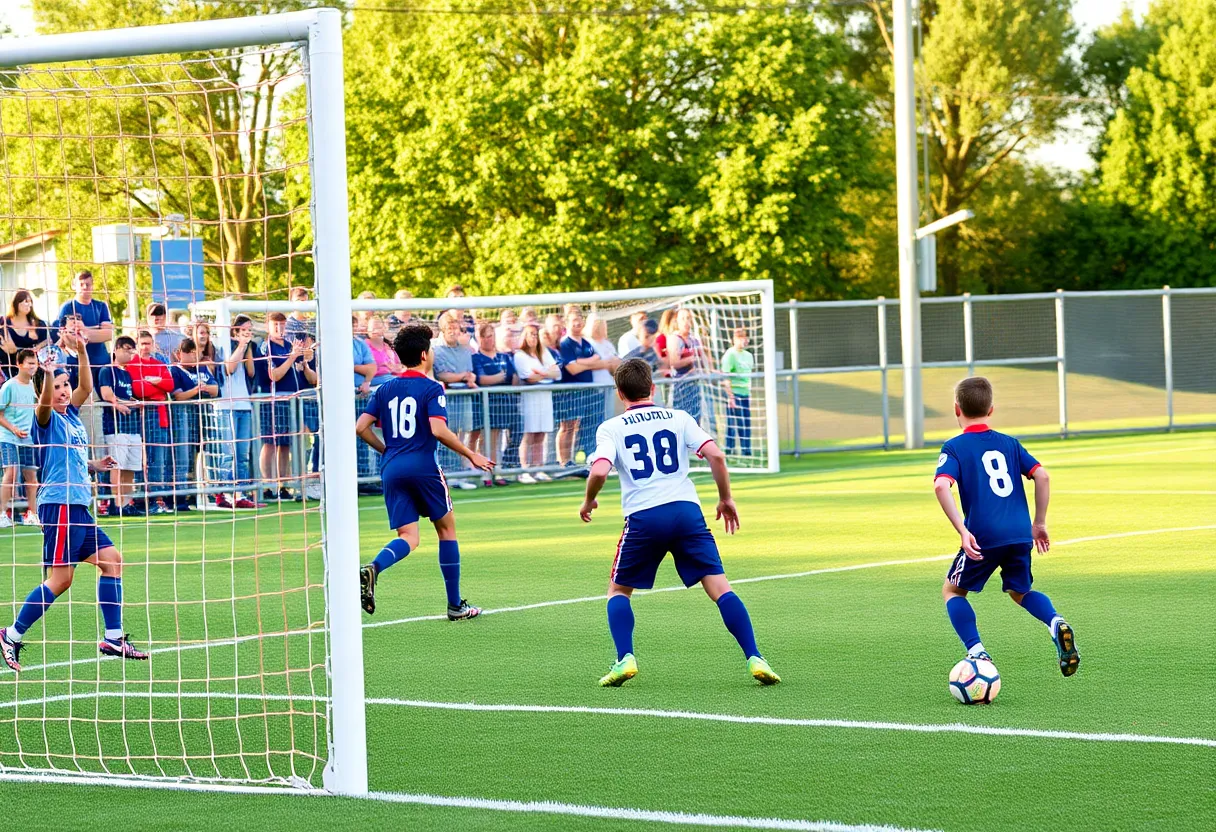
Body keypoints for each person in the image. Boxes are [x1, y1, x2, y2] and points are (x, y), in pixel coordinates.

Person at [579, 358, 779, 687]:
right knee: (719, 587)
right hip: (687, 512)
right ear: (653, 388)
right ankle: (755, 657)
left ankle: (624, 658)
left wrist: (589, 500)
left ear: (619, 393)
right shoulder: (679, 417)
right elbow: (715, 454)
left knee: (618, 590)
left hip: (645, 517)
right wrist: (726, 497)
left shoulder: (611, 428)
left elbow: (599, 470)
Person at [0, 330, 149, 673]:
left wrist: (82, 349)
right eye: (57, 386)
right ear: (44, 392)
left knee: (112, 560)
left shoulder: (71, 416)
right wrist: (48, 373)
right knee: (61, 580)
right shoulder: (45, 418)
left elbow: (85, 387)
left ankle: (113, 638)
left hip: (78, 505)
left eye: (65, 384)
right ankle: (11, 633)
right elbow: (44, 405)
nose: (65, 390)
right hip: (59, 505)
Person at [935, 376, 1078, 677]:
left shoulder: (955, 447)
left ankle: (978, 653)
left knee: (953, 591)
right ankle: (1055, 622)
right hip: (1018, 532)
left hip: (984, 534)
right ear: (991, 409)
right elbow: (1042, 476)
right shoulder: (1010, 444)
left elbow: (941, 486)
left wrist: (963, 531)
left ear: (956, 409)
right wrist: (1038, 522)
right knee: (1020, 591)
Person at [355, 322, 493, 621]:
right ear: (423, 354)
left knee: (409, 536)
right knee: (446, 530)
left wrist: (387, 451)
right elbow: (438, 429)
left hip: (392, 468)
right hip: (424, 466)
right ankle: (455, 605)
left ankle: (374, 568)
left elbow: (361, 427)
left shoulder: (384, 388)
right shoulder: (432, 388)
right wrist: (471, 454)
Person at [212, 314, 261, 509]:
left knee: (243, 454)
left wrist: (247, 346)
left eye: (250, 330)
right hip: (227, 406)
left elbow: (250, 372)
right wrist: (240, 345)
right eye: (244, 330)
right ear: (235, 331)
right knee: (228, 453)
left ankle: (240, 493)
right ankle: (224, 493)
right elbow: (229, 369)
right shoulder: (223, 346)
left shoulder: (250, 348)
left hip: (244, 405)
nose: (248, 333)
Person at [170, 338, 221, 512]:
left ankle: (204, 493)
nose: (192, 354)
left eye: (194, 351)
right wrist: (198, 389)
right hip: (183, 418)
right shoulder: (175, 370)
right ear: (179, 354)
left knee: (203, 457)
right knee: (183, 458)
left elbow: (216, 390)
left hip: (204, 419)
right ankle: (180, 497)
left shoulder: (203, 368)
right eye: (188, 351)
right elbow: (178, 396)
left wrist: (202, 388)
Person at [260, 312, 305, 502]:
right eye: (275, 325)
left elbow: (301, 370)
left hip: (291, 400)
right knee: (270, 442)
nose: (279, 329)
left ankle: (283, 484)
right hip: (274, 400)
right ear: (268, 326)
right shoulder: (266, 347)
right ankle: (268, 485)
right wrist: (292, 358)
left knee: (286, 444)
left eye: (282, 325)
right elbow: (274, 375)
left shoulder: (288, 345)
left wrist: (304, 359)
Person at [129, 330, 176, 515]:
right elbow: (138, 389)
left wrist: (156, 383)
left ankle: (158, 499)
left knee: (159, 458)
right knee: (142, 459)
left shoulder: (158, 363)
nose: (146, 347)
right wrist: (158, 386)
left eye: (148, 343)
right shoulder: (132, 365)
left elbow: (170, 385)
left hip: (160, 416)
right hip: (142, 416)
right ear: (137, 344)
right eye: (142, 343)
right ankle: (143, 499)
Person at [98, 337, 144, 517]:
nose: (130, 353)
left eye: (133, 350)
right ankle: (116, 504)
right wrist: (118, 404)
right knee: (116, 466)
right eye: (127, 349)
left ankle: (126, 503)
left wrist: (135, 403)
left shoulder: (127, 373)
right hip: (115, 426)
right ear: (116, 349)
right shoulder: (106, 370)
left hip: (132, 426)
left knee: (130, 467)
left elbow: (128, 395)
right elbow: (107, 393)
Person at [432, 310, 479, 490]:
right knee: (447, 435)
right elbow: (443, 375)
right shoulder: (436, 350)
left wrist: (469, 378)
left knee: (462, 434)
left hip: (464, 397)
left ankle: (461, 473)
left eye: (455, 328)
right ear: (442, 330)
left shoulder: (465, 350)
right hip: (447, 399)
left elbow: (469, 372)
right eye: (449, 328)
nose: (453, 331)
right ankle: (448, 473)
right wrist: (463, 376)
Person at [557, 309, 604, 472]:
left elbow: (597, 359)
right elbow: (573, 369)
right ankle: (563, 461)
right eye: (573, 320)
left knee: (575, 426)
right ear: (566, 323)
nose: (577, 323)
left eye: (579, 320)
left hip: (585, 392)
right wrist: (586, 363)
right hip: (569, 392)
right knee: (567, 426)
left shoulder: (586, 342)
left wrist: (581, 362)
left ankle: (570, 460)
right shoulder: (565, 344)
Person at [513, 324, 559, 482]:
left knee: (541, 434)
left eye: (535, 334)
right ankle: (525, 469)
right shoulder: (520, 355)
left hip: (545, 397)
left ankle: (538, 468)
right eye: (530, 334)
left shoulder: (543, 352)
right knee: (529, 434)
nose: (533, 337)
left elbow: (557, 373)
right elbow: (529, 377)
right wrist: (546, 375)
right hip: (530, 398)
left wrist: (542, 373)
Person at [55, 270, 114, 392]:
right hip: (76, 365)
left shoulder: (101, 306)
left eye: (88, 284)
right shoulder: (67, 307)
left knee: (101, 404)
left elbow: (109, 334)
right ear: (74, 285)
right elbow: (63, 337)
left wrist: (84, 331)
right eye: (81, 284)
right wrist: (92, 334)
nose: (85, 287)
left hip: (100, 363)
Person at [470, 321, 512, 488]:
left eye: (491, 336)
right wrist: (500, 377)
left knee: (498, 437)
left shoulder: (503, 356)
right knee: (486, 438)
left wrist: (501, 378)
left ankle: (496, 469)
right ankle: (485, 472)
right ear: (479, 338)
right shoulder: (475, 358)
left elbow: (512, 377)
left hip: (503, 402)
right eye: (484, 336)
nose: (488, 340)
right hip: (485, 403)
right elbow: (483, 380)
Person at [0, 349, 40, 526]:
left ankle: (32, 514)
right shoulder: (9, 386)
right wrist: (14, 429)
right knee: (11, 473)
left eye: (35, 363)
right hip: (9, 438)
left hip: (28, 439)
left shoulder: (34, 386)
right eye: (30, 363)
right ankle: (2, 514)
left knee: (31, 477)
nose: (33, 366)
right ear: (19, 364)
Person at [667, 308, 706, 422]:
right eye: (683, 318)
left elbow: (704, 362)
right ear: (677, 322)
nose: (686, 321)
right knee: (681, 422)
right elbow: (674, 363)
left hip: (695, 386)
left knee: (696, 421)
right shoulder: (674, 339)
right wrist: (692, 358)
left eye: (688, 318)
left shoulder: (694, 339)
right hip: (681, 387)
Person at [720, 327, 754, 457]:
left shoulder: (748, 356)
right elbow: (726, 377)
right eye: (740, 338)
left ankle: (747, 450)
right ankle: (730, 449)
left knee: (746, 422)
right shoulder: (730, 355)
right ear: (734, 339)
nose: (743, 340)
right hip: (735, 393)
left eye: (745, 337)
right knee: (734, 423)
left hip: (745, 393)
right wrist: (730, 396)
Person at [1, 289, 49, 380]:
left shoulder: (40, 325)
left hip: (33, 374)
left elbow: (43, 353)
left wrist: (16, 352)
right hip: (8, 372)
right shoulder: (3, 323)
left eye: (30, 301)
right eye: (26, 301)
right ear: (15, 302)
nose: (29, 304)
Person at [585, 313, 620, 426]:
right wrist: (606, 363)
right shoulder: (588, 343)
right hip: (594, 388)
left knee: (607, 418)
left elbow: (616, 363)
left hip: (608, 386)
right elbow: (587, 364)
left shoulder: (608, 344)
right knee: (593, 421)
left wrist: (611, 364)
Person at [365, 315, 404, 385]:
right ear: (368, 330)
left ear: (384, 329)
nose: (375, 331)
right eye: (372, 328)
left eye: (378, 328)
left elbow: (398, 367)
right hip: (374, 381)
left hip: (389, 379)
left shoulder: (388, 346)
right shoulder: (364, 346)